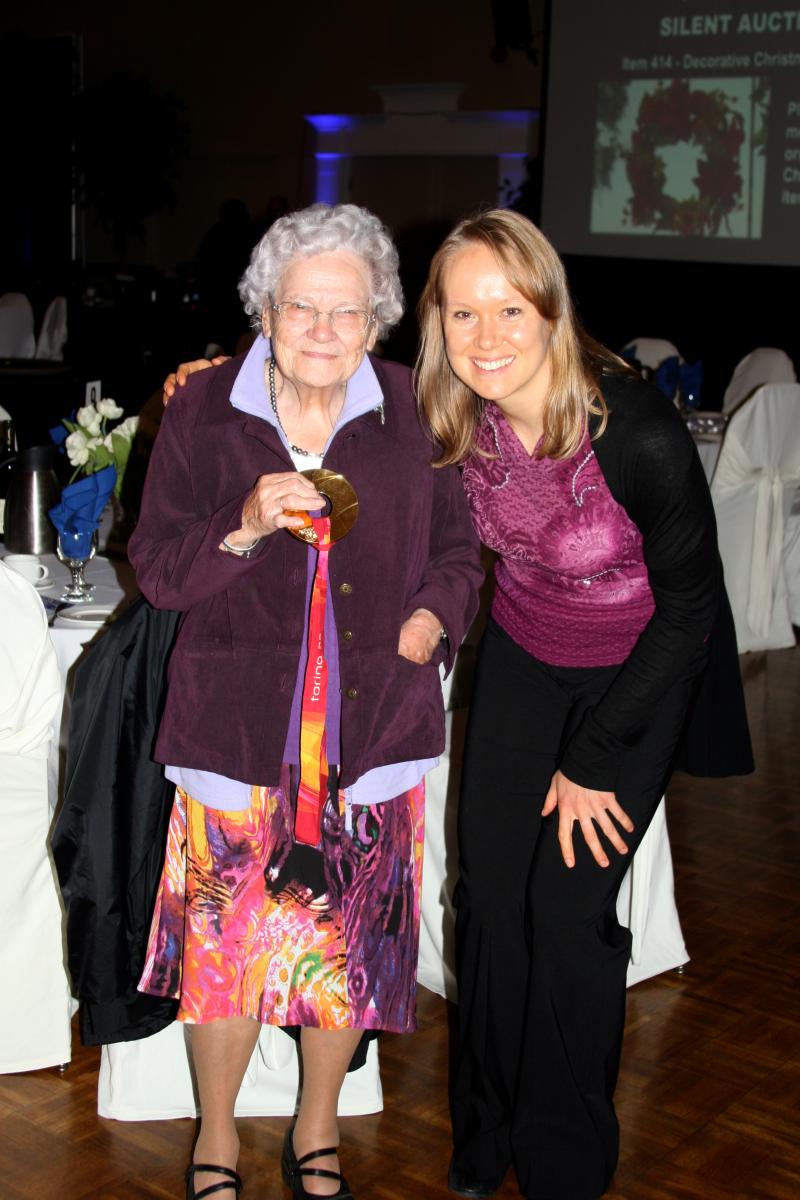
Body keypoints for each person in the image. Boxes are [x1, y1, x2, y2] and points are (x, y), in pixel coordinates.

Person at [129, 202, 482, 1200]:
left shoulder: (419, 410)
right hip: (233, 735)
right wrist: (240, 524)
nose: (323, 330)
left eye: (346, 312)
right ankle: (215, 1138)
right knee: (224, 955)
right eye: (300, 309)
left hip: (373, 734)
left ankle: (316, 1130)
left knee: (348, 954)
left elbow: (460, 553)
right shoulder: (202, 411)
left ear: (377, 320)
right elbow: (156, 570)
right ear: (265, 312)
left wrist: (432, 616)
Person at [414, 209, 751, 1200]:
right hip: (523, 650)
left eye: (507, 309)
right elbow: (320, 384)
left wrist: (596, 754)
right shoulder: (448, 410)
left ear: (550, 311)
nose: (485, 337)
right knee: (485, 900)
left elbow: (687, 611)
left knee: (563, 913)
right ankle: (484, 1133)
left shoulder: (633, 431)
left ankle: (564, 1160)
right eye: (461, 312)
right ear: (436, 322)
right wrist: (211, 381)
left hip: (635, 671)